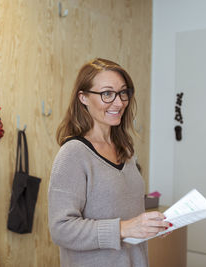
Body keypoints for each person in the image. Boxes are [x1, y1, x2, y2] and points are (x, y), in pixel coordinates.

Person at [48, 58, 171, 267]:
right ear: (83, 97)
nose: (119, 102)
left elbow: (127, 213)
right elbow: (61, 229)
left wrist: (149, 225)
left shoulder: (126, 149)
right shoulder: (73, 154)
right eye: (107, 93)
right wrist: (124, 229)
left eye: (123, 92)